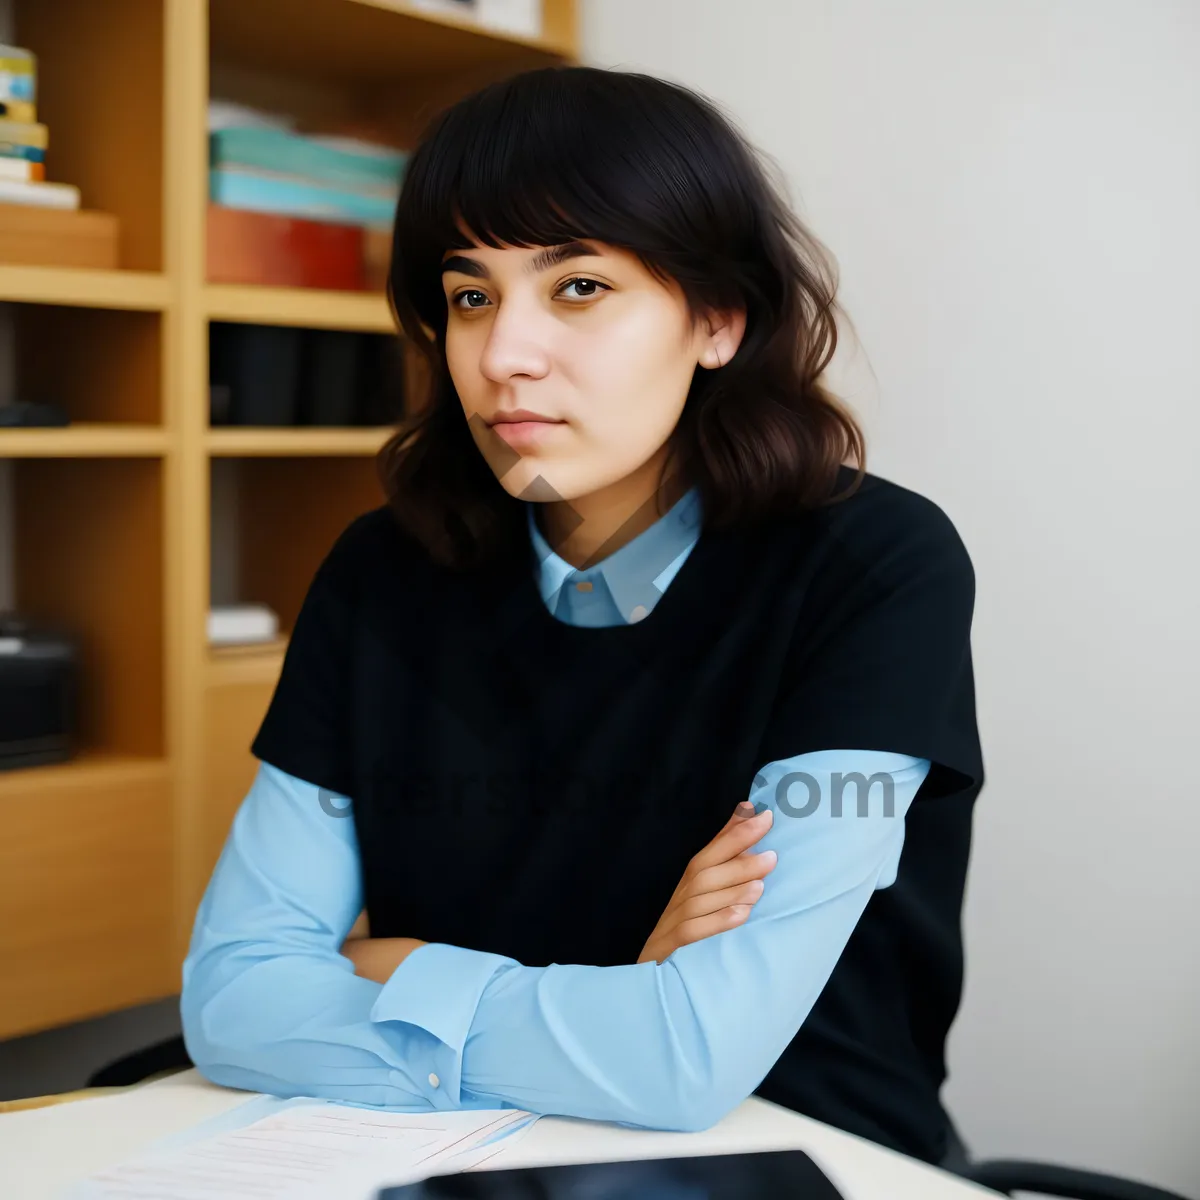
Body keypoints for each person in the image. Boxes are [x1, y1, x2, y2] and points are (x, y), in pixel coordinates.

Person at [180, 65, 984, 1169]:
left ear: (717, 319)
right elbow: (232, 1000)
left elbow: (689, 1060)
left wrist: (392, 964)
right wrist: (620, 994)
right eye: (471, 296)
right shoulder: (383, 571)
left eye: (579, 289)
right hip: (447, 1148)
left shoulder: (873, 568)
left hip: (792, 1152)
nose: (504, 355)